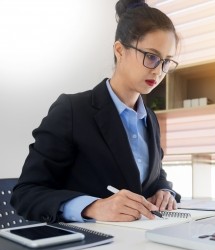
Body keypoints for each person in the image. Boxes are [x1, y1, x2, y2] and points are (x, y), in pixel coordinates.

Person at [11, 0, 181, 223]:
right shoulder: (72, 111)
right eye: (151, 56)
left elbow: (155, 175)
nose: (159, 71)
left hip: (141, 243)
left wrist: (164, 192)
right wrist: (93, 207)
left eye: (166, 61)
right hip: (87, 249)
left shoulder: (149, 118)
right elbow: (25, 194)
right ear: (120, 50)